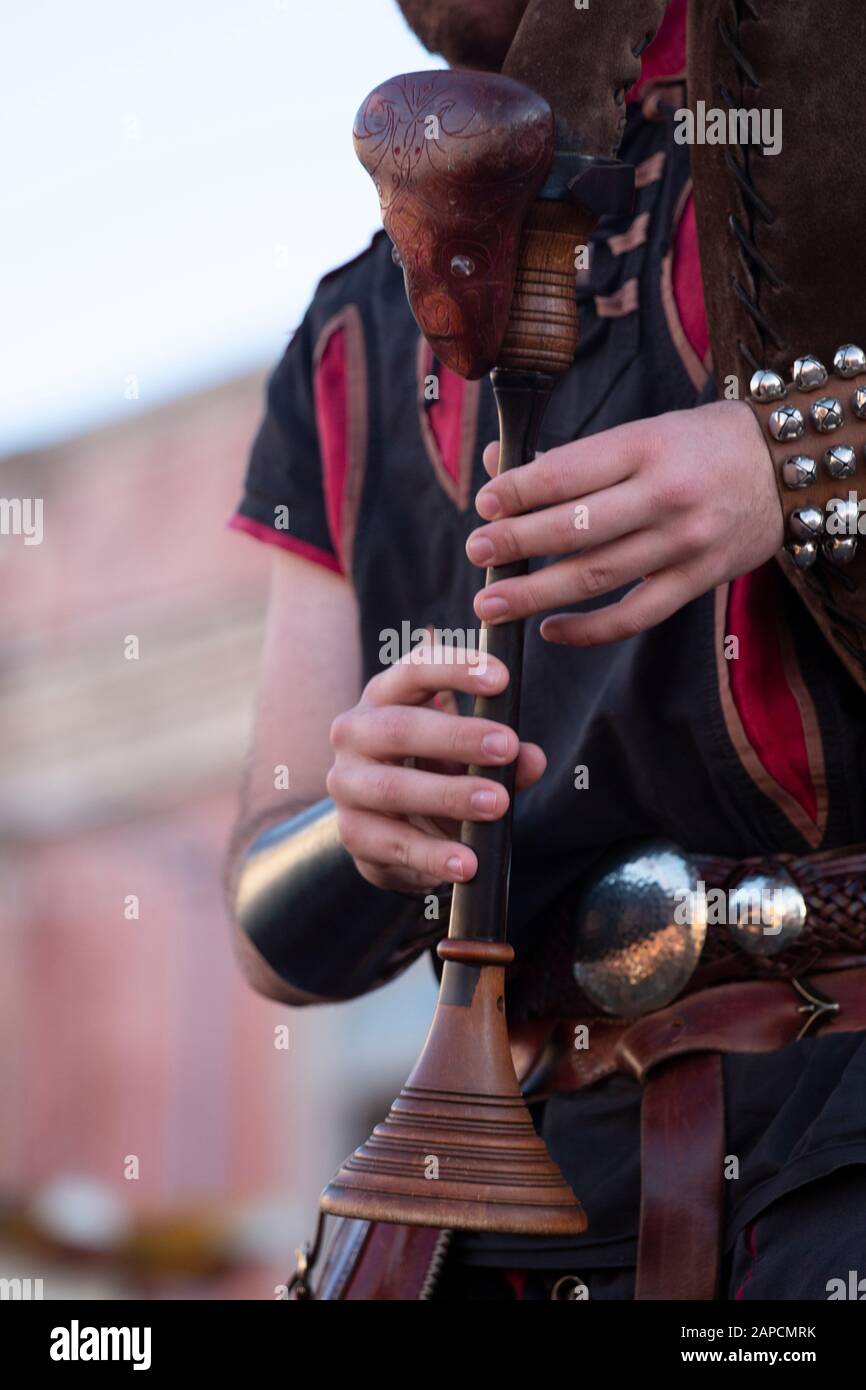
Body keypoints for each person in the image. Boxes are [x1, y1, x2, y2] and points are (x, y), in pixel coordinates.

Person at [227, 0, 866, 1299]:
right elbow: (266, 927)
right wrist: (358, 831)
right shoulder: (346, 339)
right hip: (533, 1169)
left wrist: (795, 459)